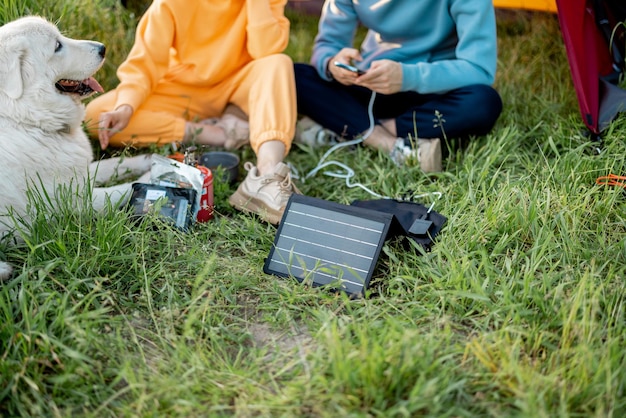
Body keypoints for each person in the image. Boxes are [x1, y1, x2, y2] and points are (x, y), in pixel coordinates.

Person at [85, 0, 299, 224]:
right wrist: (125, 106)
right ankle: (219, 131)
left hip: (239, 84)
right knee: (96, 115)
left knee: (278, 63)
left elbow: (266, 49)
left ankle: (266, 174)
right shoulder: (169, 4)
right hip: (184, 91)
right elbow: (144, 65)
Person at [294, 0, 503, 172]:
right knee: (293, 75)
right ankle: (387, 143)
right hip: (372, 83)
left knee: (483, 102)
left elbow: (479, 69)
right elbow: (328, 45)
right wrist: (333, 64)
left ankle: (350, 129)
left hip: (434, 91)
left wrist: (407, 76)